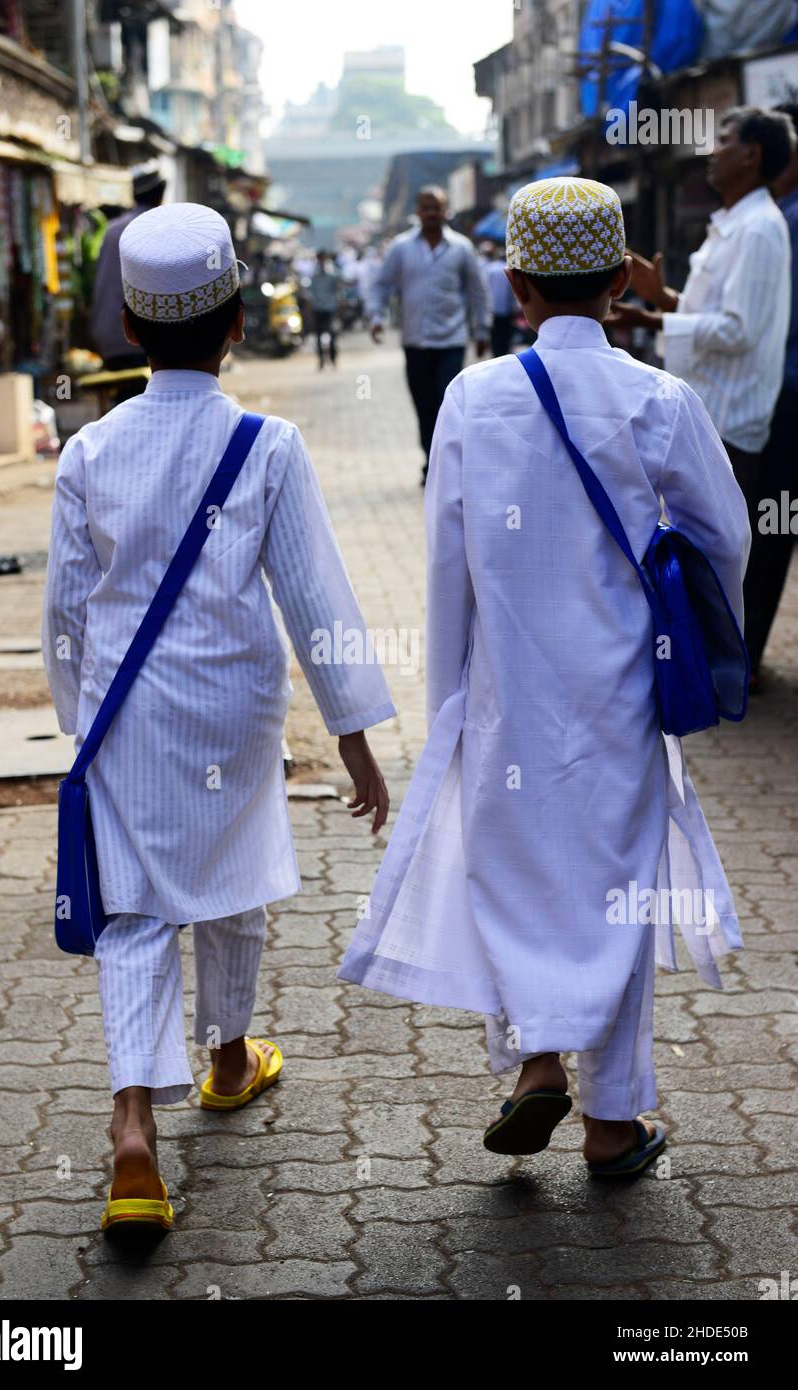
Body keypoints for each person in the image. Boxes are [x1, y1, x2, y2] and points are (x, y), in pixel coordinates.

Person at [340, 177, 751, 1176]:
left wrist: (453, 703)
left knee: (517, 877)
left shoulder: (472, 398)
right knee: (615, 886)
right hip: (620, 698)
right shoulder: (660, 398)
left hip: (504, 697)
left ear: (514, 287)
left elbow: (448, 564)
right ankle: (614, 1124)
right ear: (620, 280)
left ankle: (534, 1063)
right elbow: (727, 536)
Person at [43, 202, 395, 1232]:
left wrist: (81, 720)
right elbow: (315, 596)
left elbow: (67, 610)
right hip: (236, 707)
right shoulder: (269, 443)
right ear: (236, 319)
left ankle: (133, 1135)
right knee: (234, 878)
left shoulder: (89, 452)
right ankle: (230, 1058)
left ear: (134, 332)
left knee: (136, 910)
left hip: (128, 709)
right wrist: (356, 733)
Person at [609, 107, 795, 515]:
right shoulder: (733, 224)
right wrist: (661, 297)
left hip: (728, 425)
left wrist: (650, 318)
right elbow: (712, 314)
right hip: (707, 418)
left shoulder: (758, 228)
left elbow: (737, 331)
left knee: (719, 566)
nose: (712, 150)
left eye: (725, 140)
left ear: (752, 155)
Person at [368, 186, 492, 484]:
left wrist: (482, 328)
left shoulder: (462, 248)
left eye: (437, 207)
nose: (432, 213)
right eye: (426, 207)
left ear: (446, 210)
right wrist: (376, 316)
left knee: (448, 403)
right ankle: (431, 461)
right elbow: (381, 285)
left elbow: (477, 291)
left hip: (452, 340)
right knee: (424, 406)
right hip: (416, 342)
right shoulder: (401, 248)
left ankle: (451, 466)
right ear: (418, 211)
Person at [741, 103, 798, 687]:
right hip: (780, 387)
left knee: (770, 525)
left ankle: (746, 652)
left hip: (785, 392)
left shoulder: (776, 221)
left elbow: (754, 326)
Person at [90, 164, 166, 375]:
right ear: (161, 193)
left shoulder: (112, 229)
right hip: (144, 342)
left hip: (108, 339)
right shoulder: (159, 227)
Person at [483, 239, 519, 357]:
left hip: (492, 308)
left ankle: (495, 352)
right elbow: (512, 291)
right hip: (506, 309)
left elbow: (485, 288)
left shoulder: (490, 268)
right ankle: (502, 352)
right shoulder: (508, 270)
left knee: (494, 333)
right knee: (504, 334)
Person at [308, 250, 340, 368]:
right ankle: (321, 360)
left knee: (332, 333)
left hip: (330, 307)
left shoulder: (332, 273)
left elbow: (337, 290)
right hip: (318, 308)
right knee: (318, 335)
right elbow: (310, 293)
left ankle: (333, 358)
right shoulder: (314, 274)